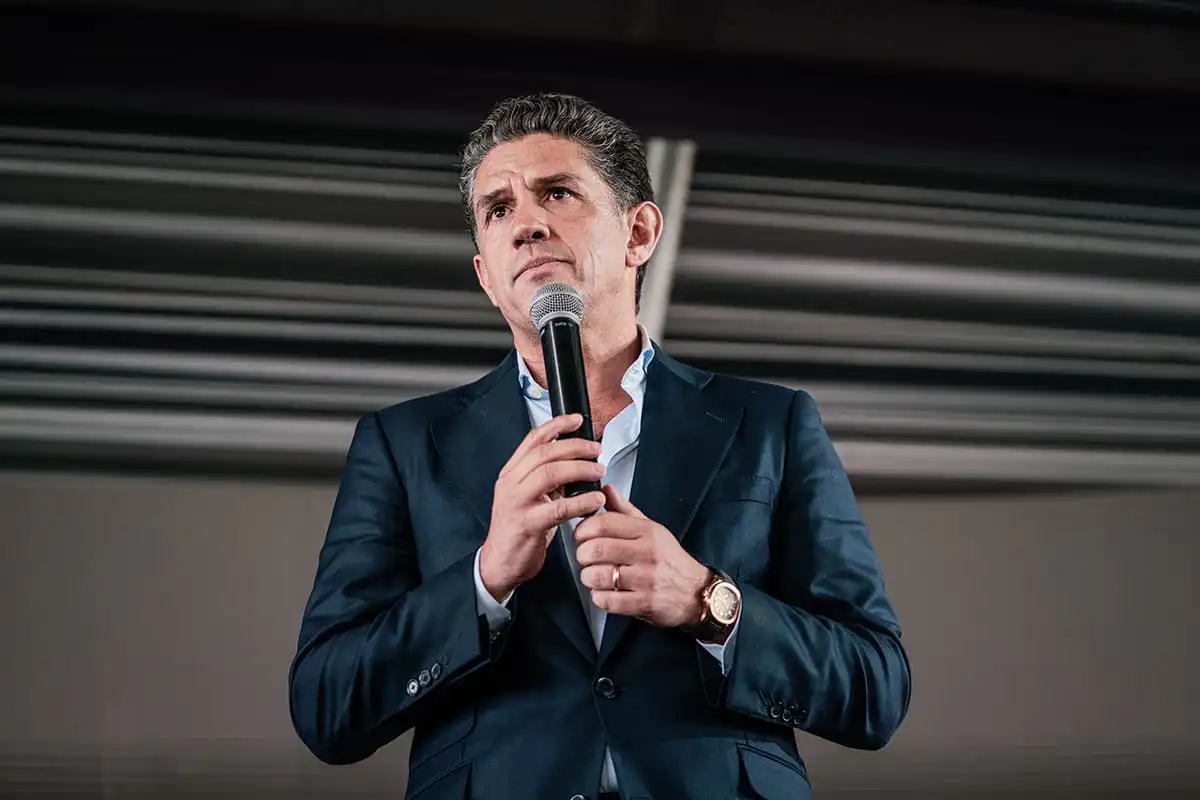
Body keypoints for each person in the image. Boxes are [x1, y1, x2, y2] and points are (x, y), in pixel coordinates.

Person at [288, 92, 911, 800]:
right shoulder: (401, 444)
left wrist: (706, 600)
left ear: (638, 233)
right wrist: (485, 578)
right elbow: (325, 706)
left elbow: (876, 686)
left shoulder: (772, 423)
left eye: (558, 193)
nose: (527, 225)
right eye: (499, 209)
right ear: (486, 276)